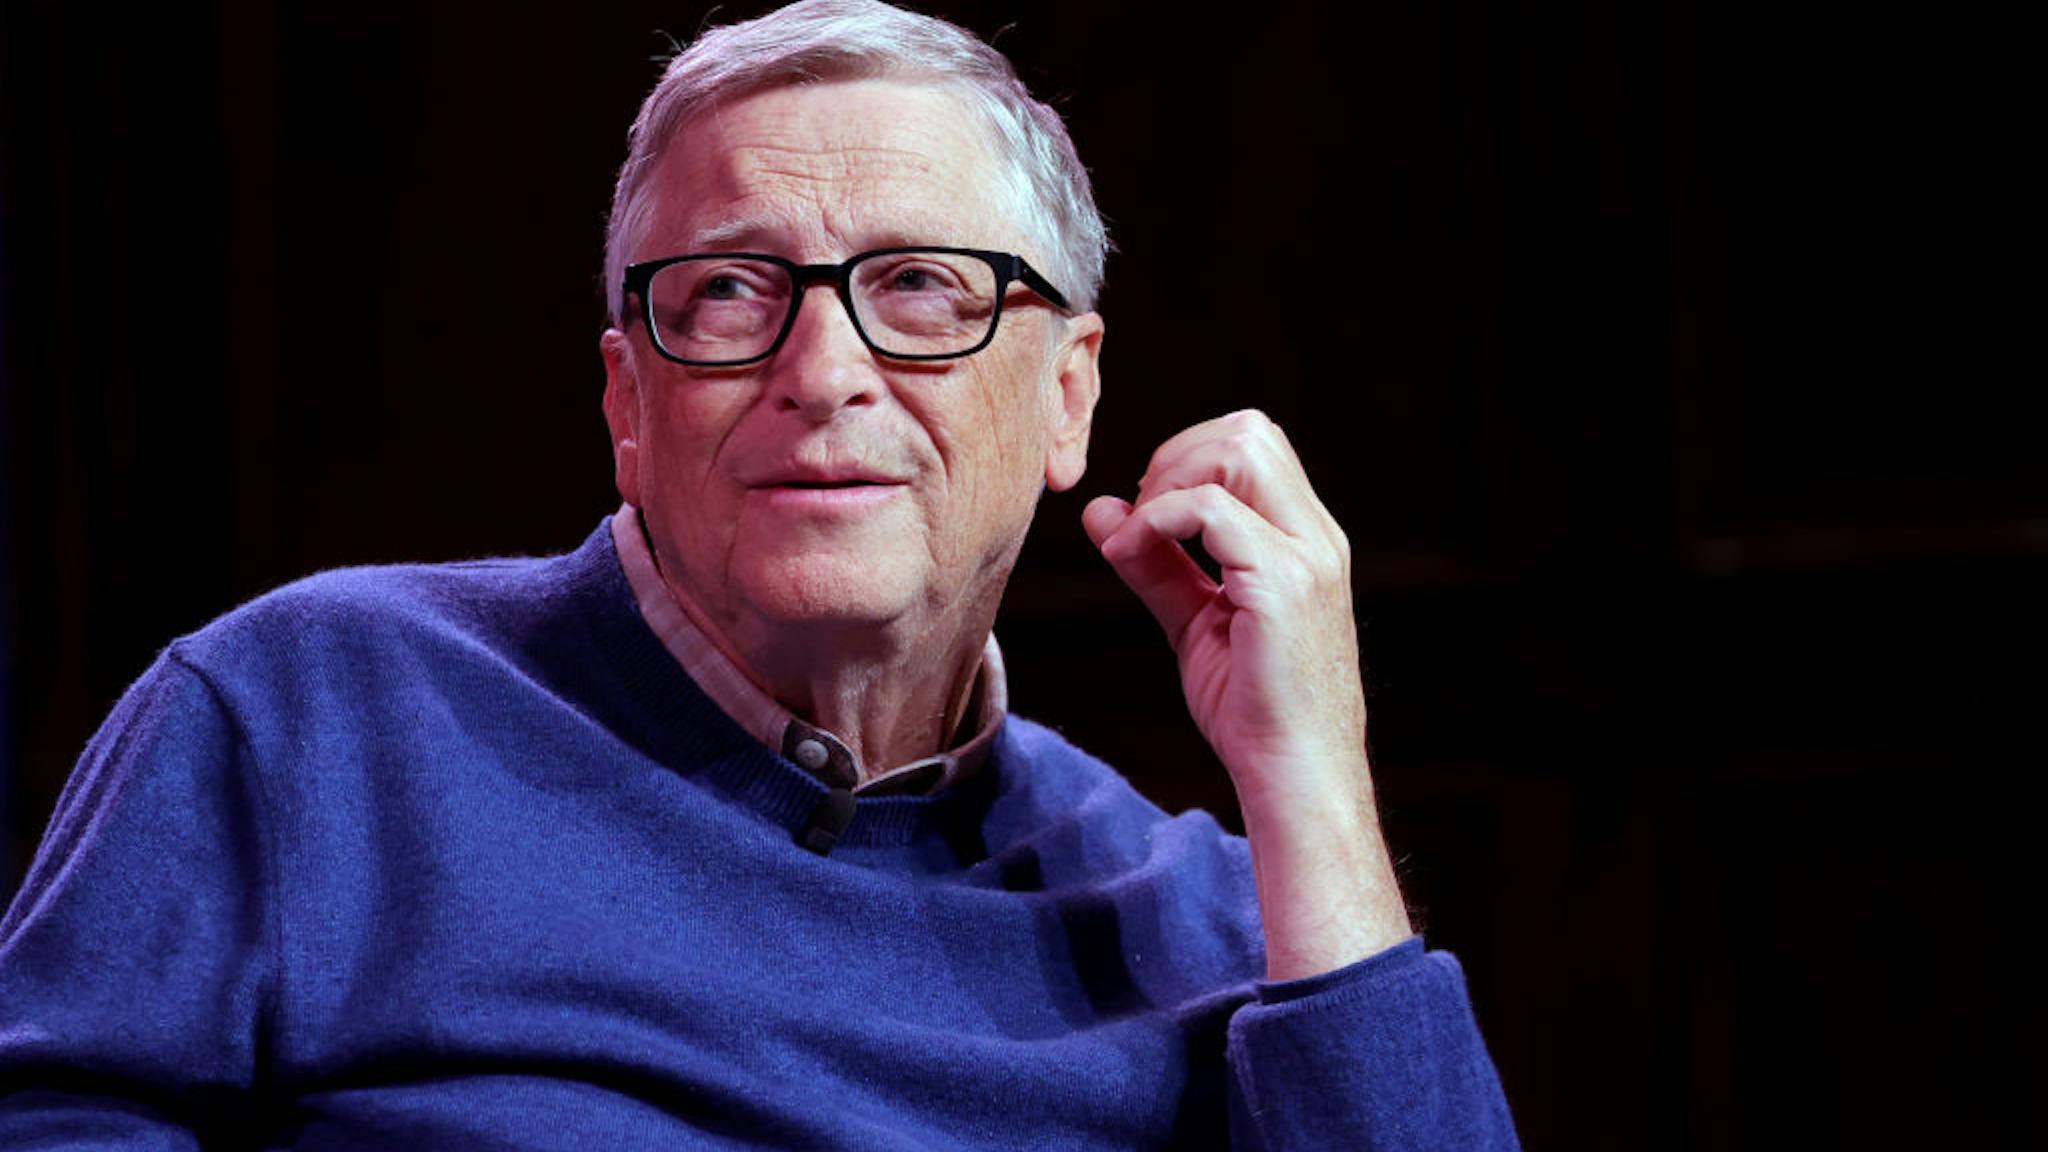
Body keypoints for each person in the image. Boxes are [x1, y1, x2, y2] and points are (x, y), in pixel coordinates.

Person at [0, 1, 1519, 1147]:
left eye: (920, 287)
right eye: (732, 292)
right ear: (624, 400)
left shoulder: (1205, 915)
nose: (824, 370)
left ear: (1069, 396)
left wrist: (1310, 788)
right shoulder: (301, 719)